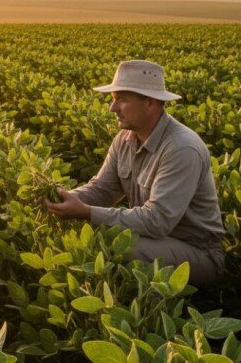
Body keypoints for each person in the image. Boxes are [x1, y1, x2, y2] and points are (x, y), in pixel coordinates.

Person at [39, 60, 224, 287]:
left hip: (197, 254)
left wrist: (86, 212)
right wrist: (59, 197)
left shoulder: (181, 148)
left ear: (150, 103)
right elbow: (103, 189)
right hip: (156, 241)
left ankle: (145, 316)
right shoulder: (125, 138)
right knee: (93, 235)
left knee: (121, 246)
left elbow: (157, 221)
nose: (112, 108)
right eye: (113, 99)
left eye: (122, 99)